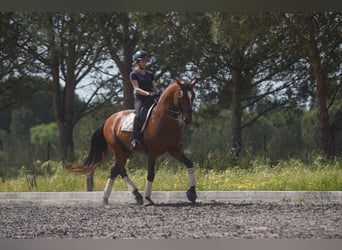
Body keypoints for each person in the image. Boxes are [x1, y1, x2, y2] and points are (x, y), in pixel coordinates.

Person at [129, 50, 159, 150]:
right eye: (143, 61)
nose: (145, 63)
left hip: (151, 99)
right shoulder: (133, 74)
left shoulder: (150, 74)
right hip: (140, 99)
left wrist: (158, 93)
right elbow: (136, 88)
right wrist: (147, 93)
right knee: (138, 116)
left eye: (146, 61)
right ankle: (135, 139)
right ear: (137, 62)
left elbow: (154, 86)